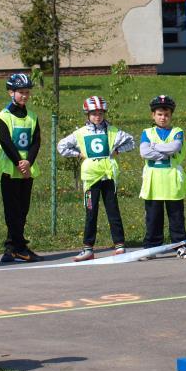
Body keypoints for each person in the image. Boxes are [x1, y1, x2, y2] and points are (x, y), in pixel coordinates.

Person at [57, 96, 135, 262]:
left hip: (108, 176)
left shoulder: (113, 131)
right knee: (91, 212)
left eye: (100, 113)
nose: (97, 116)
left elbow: (131, 142)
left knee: (113, 211)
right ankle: (88, 248)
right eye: (93, 113)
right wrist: (78, 154)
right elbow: (62, 146)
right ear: (87, 114)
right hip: (91, 179)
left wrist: (118, 151)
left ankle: (120, 245)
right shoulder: (80, 133)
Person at [0, 73, 43, 263]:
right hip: (10, 168)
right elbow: (5, 141)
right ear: (11, 93)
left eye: (27, 92)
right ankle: (19, 247)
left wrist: (28, 162)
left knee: (23, 209)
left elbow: (36, 141)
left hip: (26, 169)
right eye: (21, 92)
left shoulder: (32, 116)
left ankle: (12, 248)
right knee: (12, 210)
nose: (25, 96)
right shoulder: (4, 116)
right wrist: (18, 162)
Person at [138, 95, 186, 259]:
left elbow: (174, 148)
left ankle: (180, 245)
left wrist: (155, 147)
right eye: (160, 114)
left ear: (171, 115)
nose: (163, 118)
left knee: (176, 215)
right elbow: (144, 152)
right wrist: (163, 151)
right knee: (153, 216)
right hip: (153, 180)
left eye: (166, 114)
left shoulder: (177, 132)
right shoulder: (147, 132)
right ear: (153, 115)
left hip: (171, 179)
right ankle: (151, 247)